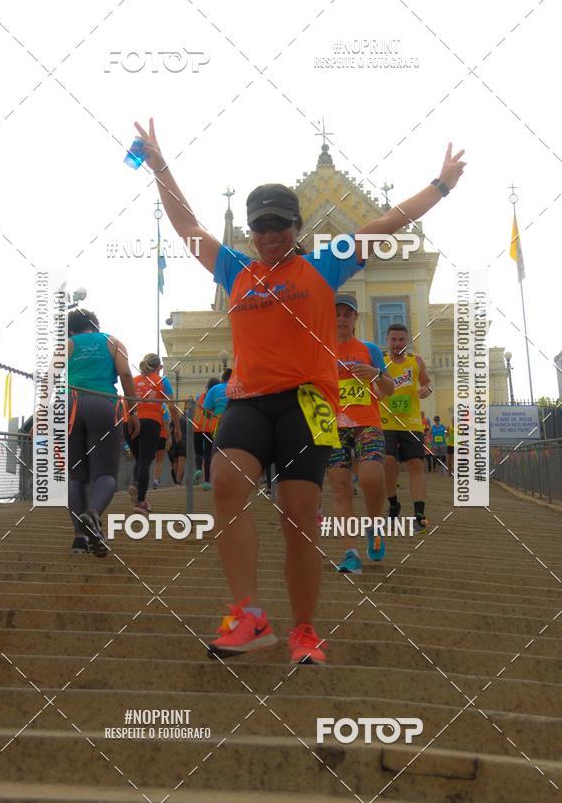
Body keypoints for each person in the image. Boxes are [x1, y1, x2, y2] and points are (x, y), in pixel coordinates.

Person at [134, 116, 465, 665]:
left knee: (299, 513)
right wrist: (160, 165)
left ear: (297, 226)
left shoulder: (323, 266)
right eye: (260, 226)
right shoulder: (235, 269)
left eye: (280, 226)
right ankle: (248, 615)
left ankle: (305, 630)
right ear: (250, 230)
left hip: (307, 404)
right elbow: (187, 224)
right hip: (249, 400)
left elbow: (389, 221)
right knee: (224, 485)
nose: (270, 236)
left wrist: (442, 185)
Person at [327, 293, 394, 574]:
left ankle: (374, 525)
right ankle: (350, 553)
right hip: (333, 426)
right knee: (341, 488)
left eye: (347, 314)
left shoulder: (369, 349)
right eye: (337, 314)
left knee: (371, 478)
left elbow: (390, 389)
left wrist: (375, 374)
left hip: (367, 422)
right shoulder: (320, 350)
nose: (342, 318)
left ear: (355, 318)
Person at [67, 309, 139, 556]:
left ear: (71, 330)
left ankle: (79, 538)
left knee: (77, 476)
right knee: (105, 473)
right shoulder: (113, 342)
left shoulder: (67, 345)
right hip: (103, 404)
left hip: (69, 406)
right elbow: (126, 374)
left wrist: (41, 418)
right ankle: (93, 514)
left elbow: (49, 381)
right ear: (96, 326)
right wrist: (133, 411)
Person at [381, 323, 433, 532]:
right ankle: (393, 504)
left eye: (401, 339)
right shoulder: (381, 362)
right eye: (393, 339)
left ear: (407, 341)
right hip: (386, 420)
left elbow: (427, 383)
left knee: (415, 465)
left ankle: (420, 515)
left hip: (411, 422)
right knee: (387, 462)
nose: (397, 344)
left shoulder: (416, 361)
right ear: (387, 340)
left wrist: (426, 390)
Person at [126, 353, 180, 512]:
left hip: (128, 422)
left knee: (139, 460)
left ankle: (136, 483)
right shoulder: (162, 381)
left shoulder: (134, 380)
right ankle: (141, 502)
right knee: (144, 462)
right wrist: (177, 427)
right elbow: (172, 406)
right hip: (150, 422)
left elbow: (126, 402)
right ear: (158, 367)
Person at [200, 368, 232, 490]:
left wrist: (213, 417)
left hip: (216, 424)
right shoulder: (238, 388)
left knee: (210, 452)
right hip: (233, 422)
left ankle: (207, 481)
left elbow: (205, 410)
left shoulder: (214, 389)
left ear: (222, 379)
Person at [193, 377, 220, 487]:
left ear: (207, 387)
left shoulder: (199, 397)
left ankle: (198, 469)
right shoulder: (215, 397)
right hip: (208, 427)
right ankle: (207, 481)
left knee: (198, 452)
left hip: (197, 426)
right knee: (208, 453)